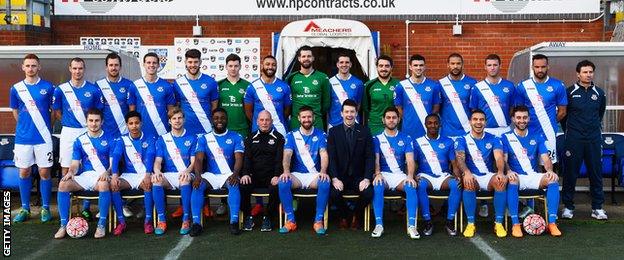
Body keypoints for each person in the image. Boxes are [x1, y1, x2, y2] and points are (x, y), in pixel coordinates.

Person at [53, 57, 104, 220]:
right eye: (74, 68)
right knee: (67, 168)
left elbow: (98, 111)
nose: (77, 71)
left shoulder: (93, 90)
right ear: (70, 69)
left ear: (84, 69)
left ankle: (86, 208)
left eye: (80, 68)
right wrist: (69, 123)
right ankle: (68, 211)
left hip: (87, 130)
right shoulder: (60, 89)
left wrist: (85, 125)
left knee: (88, 167)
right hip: (68, 132)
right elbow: (57, 112)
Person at [502, 105, 562, 237]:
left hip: (533, 176)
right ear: (513, 119)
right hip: (516, 176)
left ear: (529, 119)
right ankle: (516, 224)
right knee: (511, 181)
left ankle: (551, 223)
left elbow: (545, 158)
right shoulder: (505, 137)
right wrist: (509, 171)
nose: (521, 120)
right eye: (518, 117)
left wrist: (550, 170)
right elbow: (504, 160)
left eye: (524, 117)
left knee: (553, 181)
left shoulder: (537, 136)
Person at [54, 108, 113, 239]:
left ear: (102, 122)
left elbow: (112, 164)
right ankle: (63, 225)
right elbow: (75, 163)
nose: (93, 124)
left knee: (103, 185)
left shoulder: (110, 139)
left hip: (101, 177)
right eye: (91, 120)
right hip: (85, 176)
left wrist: (107, 172)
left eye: (97, 121)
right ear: (86, 122)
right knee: (63, 185)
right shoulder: (79, 141)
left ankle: (101, 224)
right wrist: (70, 172)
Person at [10, 54, 55, 223]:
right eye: (27, 66)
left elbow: (54, 113)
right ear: (23, 67)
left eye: (34, 66)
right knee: (24, 171)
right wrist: (26, 127)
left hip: (43, 137)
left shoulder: (49, 87)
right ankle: (25, 208)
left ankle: (45, 208)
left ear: (39, 67)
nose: (31, 69)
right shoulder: (16, 88)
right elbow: (16, 112)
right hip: (23, 138)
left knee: (44, 172)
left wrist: (43, 127)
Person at [561, 60, 607, 220]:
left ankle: (597, 207)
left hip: (593, 139)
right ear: (578, 74)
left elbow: (600, 114)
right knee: (570, 173)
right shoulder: (569, 92)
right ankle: (568, 207)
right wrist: (574, 130)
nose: (588, 75)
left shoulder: (600, 93)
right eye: (585, 72)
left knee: (596, 173)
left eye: (590, 72)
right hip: (574, 139)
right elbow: (563, 116)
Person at [189, 108, 244, 236]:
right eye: (216, 118)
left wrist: (235, 174)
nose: (220, 120)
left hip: (228, 174)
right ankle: (196, 224)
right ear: (212, 120)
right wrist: (197, 176)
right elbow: (199, 159)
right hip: (210, 175)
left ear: (227, 119)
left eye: (222, 118)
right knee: (197, 186)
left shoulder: (236, 136)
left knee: (235, 185)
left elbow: (239, 158)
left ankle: (234, 222)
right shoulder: (204, 138)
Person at [278, 106, 330, 235]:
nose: (307, 119)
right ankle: (291, 220)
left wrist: (323, 171)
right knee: (283, 182)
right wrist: (286, 171)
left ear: (313, 118)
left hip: (314, 175)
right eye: (304, 117)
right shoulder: (291, 135)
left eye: (309, 117)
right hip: (297, 175)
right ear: (299, 118)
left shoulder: (321, 134)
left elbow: (324, 154)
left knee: (325, 182)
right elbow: (287, 154)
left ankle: (318, 221)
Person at [455, 109, 507, 238]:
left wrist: (500, 172)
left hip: (488, 176)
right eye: (475, 119)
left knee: (500, 181)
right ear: (470, 122)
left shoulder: (494, 138)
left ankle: (498, 223)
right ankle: (471, 223)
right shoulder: (462, 139)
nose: (478, 122)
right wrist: (466, 172)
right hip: (472, 175)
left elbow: (499, 157)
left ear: (485, 122)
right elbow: (459, 159)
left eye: (481, 119)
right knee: (468, 182)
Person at [370, 107, 419, 239]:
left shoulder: (406, 138)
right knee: (377, 185)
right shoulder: (376, 139)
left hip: (399, 176)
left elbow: (410, 160)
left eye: (394, 118)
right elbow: (376, 159)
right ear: (383, 120)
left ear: (398, 119)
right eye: (388, 118)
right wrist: (377, 173)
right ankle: (379, 224)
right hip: (384, 175)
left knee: (411, 187)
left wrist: (410, 176)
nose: (391, 120)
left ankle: (411, 226)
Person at [327, 99, 374, 230]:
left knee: (369, 193)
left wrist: (366, 178)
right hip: (340, 176)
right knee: (333, 194)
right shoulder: (333, 132)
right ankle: (343, 215)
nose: (349, 114)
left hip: (359, 176)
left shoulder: (365, 131)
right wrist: (335, 178)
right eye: (346, 111)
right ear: (341, 113)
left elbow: (369, 157)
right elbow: (331, 158)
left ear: (356, 113)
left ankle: (356, 215)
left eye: (352, 112)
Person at [110, 111, 157, 235]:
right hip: (129, 176)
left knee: (148, 185)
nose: (134, 126)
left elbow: (151, 156)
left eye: (136, 123)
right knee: (114, 186)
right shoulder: (122, 140)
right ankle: (121, 222)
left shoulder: (150, 138)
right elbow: (116, 156)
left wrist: (147, 174)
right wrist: (114, 175)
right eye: (131, 123)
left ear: (141, 123)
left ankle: (148, 222)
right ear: (127, 125)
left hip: (145, 174)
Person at [514, 54, 567, 164]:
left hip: (549, 132)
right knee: (529, 163)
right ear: (532, 67)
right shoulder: (523, 86)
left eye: (543, 67)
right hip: (529, 132)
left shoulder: (558, 85)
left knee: (548, 164)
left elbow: (562, 112)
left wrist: (549, 121)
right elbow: (518, 111)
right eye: (537, 67)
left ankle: (552, 182)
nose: (540, 70)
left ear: (548, 67)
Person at [151, 107, 196, 235]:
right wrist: (156, 171)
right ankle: (162, 220)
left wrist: (187, 171)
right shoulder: (162, 139)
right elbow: (158, 161)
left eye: (180, 118)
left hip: (186, 173)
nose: (177, 121)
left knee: (185, 178)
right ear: (169, 121)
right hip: (170, 175)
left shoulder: (192, 138)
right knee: (156, 180)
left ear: (184, 119)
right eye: (174, 119)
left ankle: (186, 219)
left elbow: (193, 162)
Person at [414, 114, 460, 236]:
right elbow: (413, 162)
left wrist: (457, 175)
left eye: (435, 123)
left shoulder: (448, 141)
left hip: (443, 176)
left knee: (457, 185)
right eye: (429, 123)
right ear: (425, 125)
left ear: (440, 125)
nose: (433, 125)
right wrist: (413, 176)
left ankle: (449, 221)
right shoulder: (418, 142)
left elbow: (454, 163)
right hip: (425, 176)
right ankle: (427, 221)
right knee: (420, 185)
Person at [240, 110, 284, 232]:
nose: (264, 122)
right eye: (262, 120)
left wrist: (277, 175)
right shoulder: (250, 137)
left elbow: (279, 160)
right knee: (243, 185)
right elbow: (247, 158)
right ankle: (248, 216)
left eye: (267, 120)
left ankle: (268, 217)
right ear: (257, 121)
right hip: (255, 176)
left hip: (271, 176)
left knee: (276, 187)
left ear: (271, 121)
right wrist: (245, 174)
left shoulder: (279, 138)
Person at [129, 52, 176, 140]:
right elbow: (132, 113)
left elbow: (171, 112)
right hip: (141, 132)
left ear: (158, 65)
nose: (151, 65)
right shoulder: (134, 85)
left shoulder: (167, 86)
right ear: (144, 64)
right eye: (148, 62)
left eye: (154, 63)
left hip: (162, 131)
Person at [173, 49, 219, 136]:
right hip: (184, 130)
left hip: (206, 129)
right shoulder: (178, 83)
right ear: (185, 62)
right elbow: (177, 107)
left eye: (196, 62)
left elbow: (214, 107)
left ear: (200, 62)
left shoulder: (210, 82)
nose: (193, 65)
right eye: (190, 62)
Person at [394, 54, 441, 139]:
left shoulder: (434, 85)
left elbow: (436, 107)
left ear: (424, 67)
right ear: (410, 67)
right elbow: (398, 108)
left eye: (421, 65)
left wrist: (430, 122)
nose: (418, 68)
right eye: (415, 65)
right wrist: (408, 120)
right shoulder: (401, 86)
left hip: (427, 131)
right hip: (407, 130)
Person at [469, 54, 515, 137]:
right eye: (489, 65)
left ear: (500, 66)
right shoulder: (477, 87)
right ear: (485, 67)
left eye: (495, 65)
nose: (492, 68)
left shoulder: (509, 86)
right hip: (485, 130)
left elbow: (512, 108)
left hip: (505, 129)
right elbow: (474, 110)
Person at [244, 55, 291, 136]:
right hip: (258, 131)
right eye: (267, 64)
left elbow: (287, 110)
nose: (270, 67)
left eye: (273, 65)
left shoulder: (284, 86)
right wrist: (258, 122)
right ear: (262, 66)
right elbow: (248, 111)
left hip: (279, 130)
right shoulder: (252, 86)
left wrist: (277, 120)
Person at [285, 46, 330, 130]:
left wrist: (316, 114)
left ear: (313, 58)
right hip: (296, 122)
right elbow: (287, 101)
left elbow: (326, 102)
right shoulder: (291, 77)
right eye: (303, 56)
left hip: (316, 122)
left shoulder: (322, 77)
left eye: (309, 56)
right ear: (299, 58)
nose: (306, 59)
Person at [95, 53, 133, 139]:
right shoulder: (99, 85)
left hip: (125, 132)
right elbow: (97, 111)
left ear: (120, 67)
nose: (113, 68)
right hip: (105, 133)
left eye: (116, 65)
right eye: (111, 65)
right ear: (106, 67)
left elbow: (132, 109)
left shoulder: (129, 84)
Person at [439, 53, 477, 139]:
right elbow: (438, 108)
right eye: (452, 64)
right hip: (447, 132)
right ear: (448, 65)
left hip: (467, 131)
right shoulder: (441, 84)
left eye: (458, 63)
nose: (455, 66)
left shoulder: (472, 83)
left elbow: (475, 108)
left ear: (462, 65)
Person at [362, 55, 399, 135]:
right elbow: (366, 108)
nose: (384, 69)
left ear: (391, 67)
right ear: (377, 67)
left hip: (393, 125)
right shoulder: (369, 85)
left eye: (387, 66)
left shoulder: (399, 85)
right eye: (381, 66)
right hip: (375, 126)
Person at [327, 53, 364, 128]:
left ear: (350, 64)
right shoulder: (330, 82)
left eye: (347, 62)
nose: (344, 65)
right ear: (337, 64)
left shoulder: (358, 83)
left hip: (353, 124)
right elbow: (327, 104)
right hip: (334, 124)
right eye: (341, 62)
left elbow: (359, 104)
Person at [218, 53, 250, 137]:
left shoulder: (248, 85)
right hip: (223, 128)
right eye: (230, 66)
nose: (233, 69)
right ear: (226, 67)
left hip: (242, 129)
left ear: (240, 67)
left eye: (236, 66)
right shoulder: (218, 85)